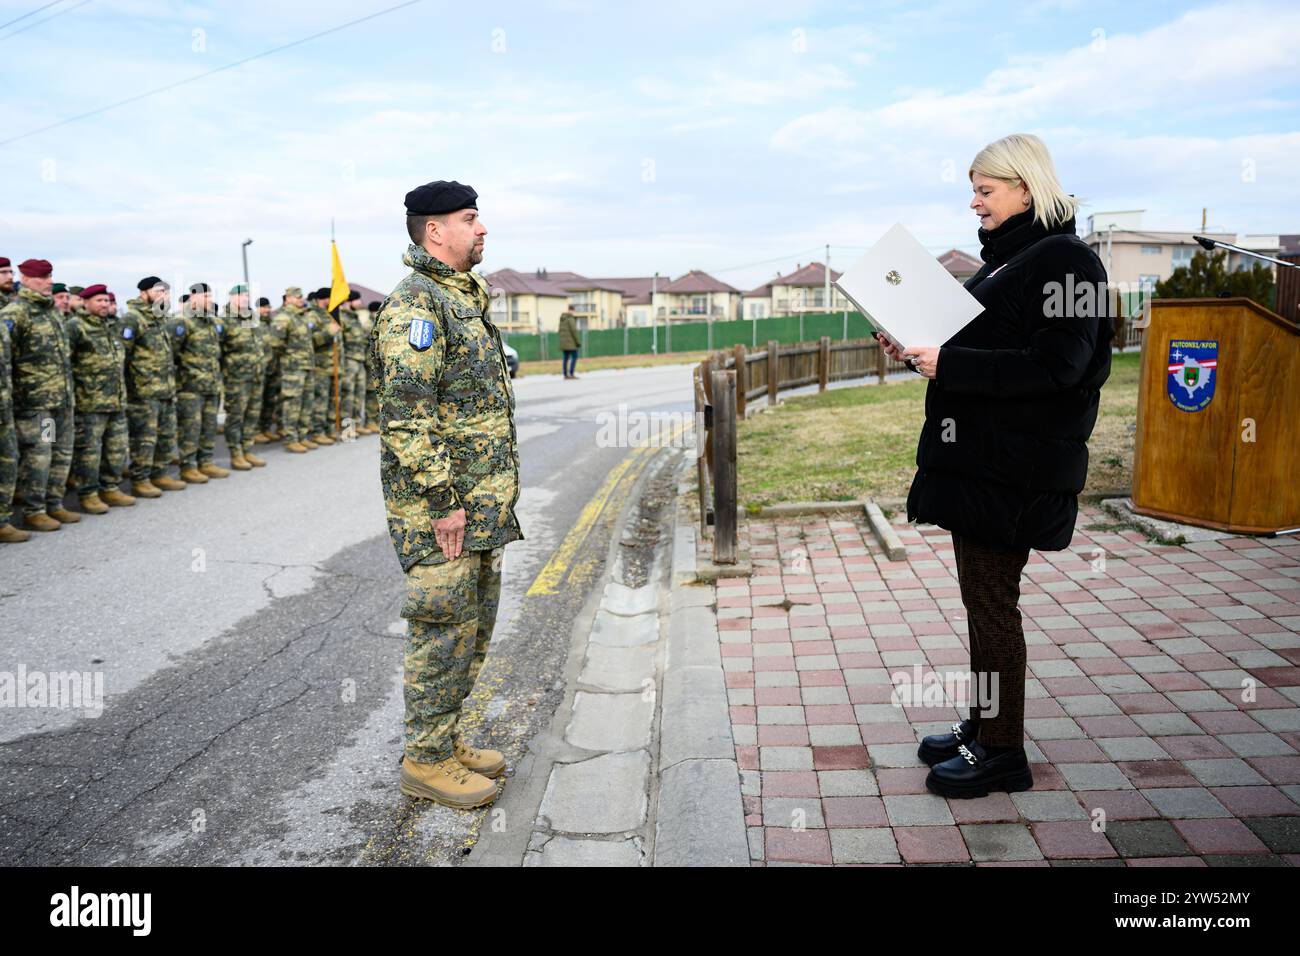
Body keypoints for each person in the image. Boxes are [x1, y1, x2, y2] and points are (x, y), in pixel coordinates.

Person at [878, 133, 1111, 799]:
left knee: (992, 603)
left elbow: (1060, 366)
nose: (973, 201)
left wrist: (950, 363)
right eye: (973, 188)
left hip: (1016, 468)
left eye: (985, 189)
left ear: (1027, 190)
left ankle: (1003, 752)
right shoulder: (1011, 260)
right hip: (981, 464)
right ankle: (984, 727)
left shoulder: (1069, 263)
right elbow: (985, 343)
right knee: (981, 600)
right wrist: (919, 346)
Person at [373, 179, 522, 808]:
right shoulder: (416, 305)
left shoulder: (463, 295)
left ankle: (443, 738)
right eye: (471, 218)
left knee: (472, 628)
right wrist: (442, 500)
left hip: (481, 501)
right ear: (436, 230)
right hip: (443, 509)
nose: (483, 227)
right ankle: (424, 762)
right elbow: (407, 414)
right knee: (441, 629)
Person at [3, 259, 81, 531]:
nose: (48, 282)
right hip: (38, 404)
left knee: (62, 453)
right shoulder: (16, 313)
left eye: (49, 276)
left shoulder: (52, 313)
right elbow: (6, 361)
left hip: (62, 400)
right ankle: (34, 510)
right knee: (41, 456)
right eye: (41, 277)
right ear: (24, 279)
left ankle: (54, 504)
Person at [67, 285, 135, 513]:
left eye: (107, 300)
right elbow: (65, 363)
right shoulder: (76, 327)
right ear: (85, 303)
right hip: (89, 402)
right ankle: (88, 494)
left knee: (116, 449)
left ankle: (111, 488)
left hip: (115, 399)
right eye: (99, 300)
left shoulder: (111, 326)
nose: (105, 304)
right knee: (89, 452)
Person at [122, 277, 186, 496]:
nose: (164, 296)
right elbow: (122, 356)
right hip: (143, 392)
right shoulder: (133, 318)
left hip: (165, 389)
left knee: (165, 436)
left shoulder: (161, 319)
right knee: (144, 439)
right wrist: (132, 387)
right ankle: (140, 479)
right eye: (159, 291)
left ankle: (160, 474)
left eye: (167, 293)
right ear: (144, 293)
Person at [174, 282, 228, 482]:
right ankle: (188, 467)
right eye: (205, 296)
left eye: (210, 296)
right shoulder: (182, 321)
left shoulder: (210, 322)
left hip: (211, 384)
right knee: (191, 428)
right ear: (193, 297)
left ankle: (206, 462)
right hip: (190, 387)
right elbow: (172, 354)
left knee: (208, 426)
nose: (209, 300)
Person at [219, 284, 266, 470]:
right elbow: (218, 351)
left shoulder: (251, 318)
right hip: (236, 378)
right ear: (232, 298)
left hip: (255, 375)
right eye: (240, 296)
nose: (245, 299)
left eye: (246, 296)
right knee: (236, 417)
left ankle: (247, 449)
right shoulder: (223, 320)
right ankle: (235, 453)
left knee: (252, 415)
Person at [268, 287, 316, 453]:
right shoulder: (283, 317)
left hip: (307, 366)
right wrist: (289, 358)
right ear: (288, 298)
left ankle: (302, 436)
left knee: (306, 402)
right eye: (296, 297)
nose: (300, 299)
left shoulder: (301, 317)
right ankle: (291, 438)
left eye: (301, 297)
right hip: (293, 368)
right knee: (292, 403)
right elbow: (275, 345)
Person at [0, 274, 28, 542]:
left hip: (33, 405)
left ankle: (41, 507)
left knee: (16, 458)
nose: (9, 278)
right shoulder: (13, 314)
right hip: (29, 405)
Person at [337, 290, 370, 436]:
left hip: (359, 359)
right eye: (357, 300)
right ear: (350, 301)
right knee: (348, 395)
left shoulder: (355, 317)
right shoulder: (342, 318)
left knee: (359, 393)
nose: (360, 303)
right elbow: (340, 342)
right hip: (349, 360)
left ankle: (356, 424)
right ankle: (347, 428)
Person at [251, 297, 279, 442]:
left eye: (268, 307)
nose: (267, 310)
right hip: (260, 369)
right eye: (264, 307)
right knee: (258, 401)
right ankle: (255, 431)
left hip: (272, 368)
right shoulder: (252, 324)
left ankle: (265, 428)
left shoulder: (270, 325)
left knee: (270, 401)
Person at [558, 310, 580, 379]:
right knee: (575, 356)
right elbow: (573, 331)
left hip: (564, 343)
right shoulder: (571, 319)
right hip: (571, 343)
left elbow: (559, 331)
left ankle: (565, 374)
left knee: (565, 358)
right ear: (571, 311)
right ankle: (571, 373)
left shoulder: (562, 319)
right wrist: (577, 342)